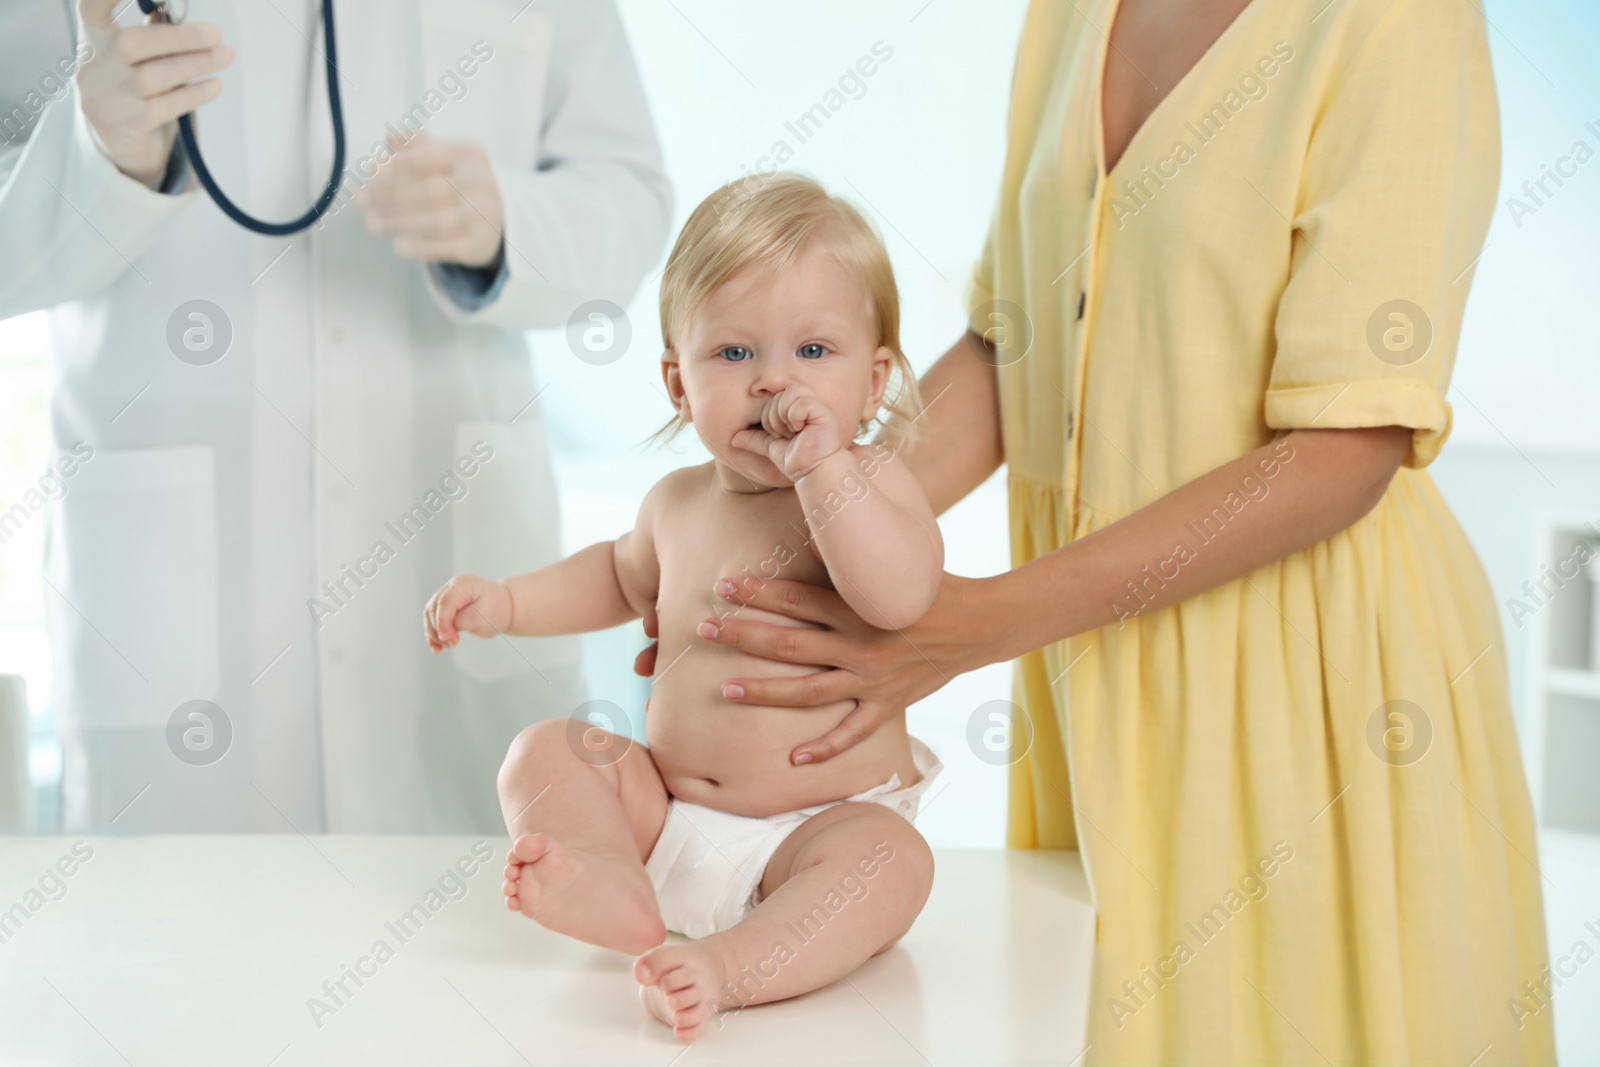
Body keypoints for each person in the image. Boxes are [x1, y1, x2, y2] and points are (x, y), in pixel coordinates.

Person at [637, 0, 1559, 1062]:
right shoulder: (1071, 12)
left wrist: (972, 621)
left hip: (1306, 680)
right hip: (1090, 670)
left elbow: (1348, 444)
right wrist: (773, 573)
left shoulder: (1400, 24)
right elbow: (1008, 343)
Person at [0, 0, 671, 832]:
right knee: (179, 936)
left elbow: (632, 198)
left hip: (446, 545)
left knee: (485, 929)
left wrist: (508, 221)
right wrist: (97, 159)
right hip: (171, 610)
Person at [423, 174, 944, 1041]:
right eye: (734, 355)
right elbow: (615, 579)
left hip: (815, 832)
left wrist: (824, 473)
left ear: (876, 378)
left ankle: (729, 966)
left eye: (814, 352)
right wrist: (508, 601)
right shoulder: (674, 502)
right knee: (545, 751)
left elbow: (899, 595)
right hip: (665, 813)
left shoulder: (874, 485)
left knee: (891, 863)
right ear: (677, 383)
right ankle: (610, 877)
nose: (774, 379)